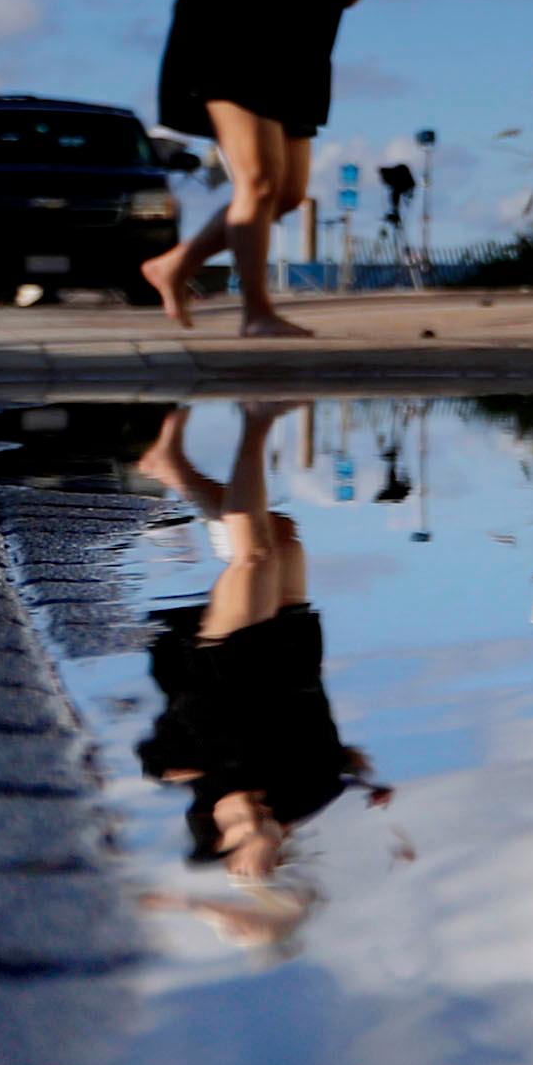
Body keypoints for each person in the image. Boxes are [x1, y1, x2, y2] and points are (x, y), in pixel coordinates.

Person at [142, 0, 406, 336]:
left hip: (295, 70)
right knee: (258, 182)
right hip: (228, 61)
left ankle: (175, 266)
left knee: (284, 195)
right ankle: (257, 313)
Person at [129, 401, 385, 951]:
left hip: (230, 666)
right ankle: (170, 468)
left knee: (254, 555)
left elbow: (225, 791)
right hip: (292, 657)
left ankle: (257, 422)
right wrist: (355, 768)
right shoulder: (310, 795)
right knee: (283, 534)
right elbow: (330, 751)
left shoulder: (210, 822)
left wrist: (245, 851)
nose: (270, 851)